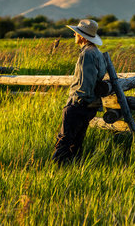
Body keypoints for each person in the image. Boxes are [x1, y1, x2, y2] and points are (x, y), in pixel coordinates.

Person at [52, 19, 106, 165]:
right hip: (88, 106)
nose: (74, 34)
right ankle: (71, 170)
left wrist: (75, 103)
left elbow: (84, 84)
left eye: (76, 33)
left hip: (79, 104)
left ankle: (54, 171)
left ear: (82, 36)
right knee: (76, 145)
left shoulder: (87, 54)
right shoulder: (97, 52)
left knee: (65, 141)